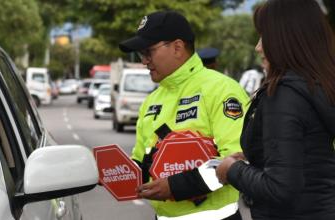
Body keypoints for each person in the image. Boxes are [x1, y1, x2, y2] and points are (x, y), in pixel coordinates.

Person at [119, 11, 249, 219]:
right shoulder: (152, 101)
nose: (144, 61)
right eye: (140, 55)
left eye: (148, 52)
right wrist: (112, 171)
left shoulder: (222, 89)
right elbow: (143, 162)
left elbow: (236, 160)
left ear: (177, 47)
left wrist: (175, 187)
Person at [216, 0, 335, 219]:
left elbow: (281, 188)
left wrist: (231, 169)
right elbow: (311, 155)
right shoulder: (318, 86)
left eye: (264, 36)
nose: (258, 47)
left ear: (286, 40)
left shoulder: (284, 94)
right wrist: (258, 156)